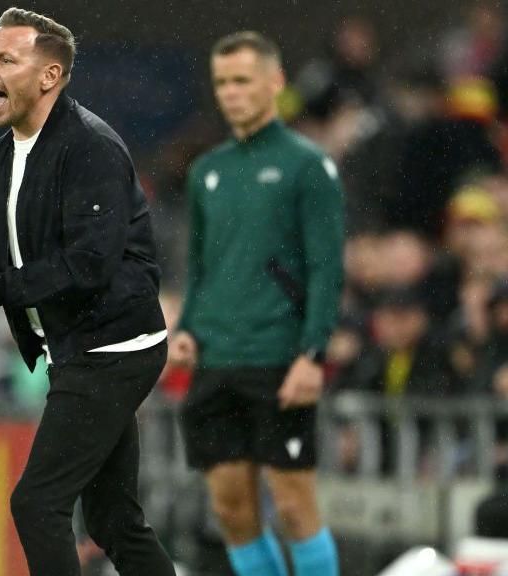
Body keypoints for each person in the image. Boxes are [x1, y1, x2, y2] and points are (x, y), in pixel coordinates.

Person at [0, 8, 176, 576]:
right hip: (78, 350)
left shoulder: (91, 147)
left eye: (6, 60)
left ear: (49, 76)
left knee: (36, 503)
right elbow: (1, 252)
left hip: (114, 349)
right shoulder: (3, 155)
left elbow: (88, 266)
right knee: (114, 521)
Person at [168, 32, 344, 576]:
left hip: (277, 358)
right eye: (222, 82)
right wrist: (189, 327)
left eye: (242, 80)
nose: (231, 93)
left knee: (294, 505)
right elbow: (201, 267)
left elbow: (326, 268)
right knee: (230, 508)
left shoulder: (307, 166)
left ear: (275, 82)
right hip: (216, 358)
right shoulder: (206, 172)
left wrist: (312, 355)